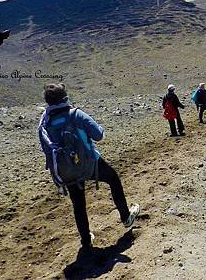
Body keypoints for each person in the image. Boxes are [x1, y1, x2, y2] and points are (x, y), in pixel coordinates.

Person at [38, 83, 139, 253]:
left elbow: (47, 150)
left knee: (78, 204)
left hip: (67, 171)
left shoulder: (44, 125)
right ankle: (125, 217)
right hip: (89, 163)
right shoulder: (75, 114)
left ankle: (86, 240)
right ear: (65, 98)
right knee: (113, 178)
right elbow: (98, 135)